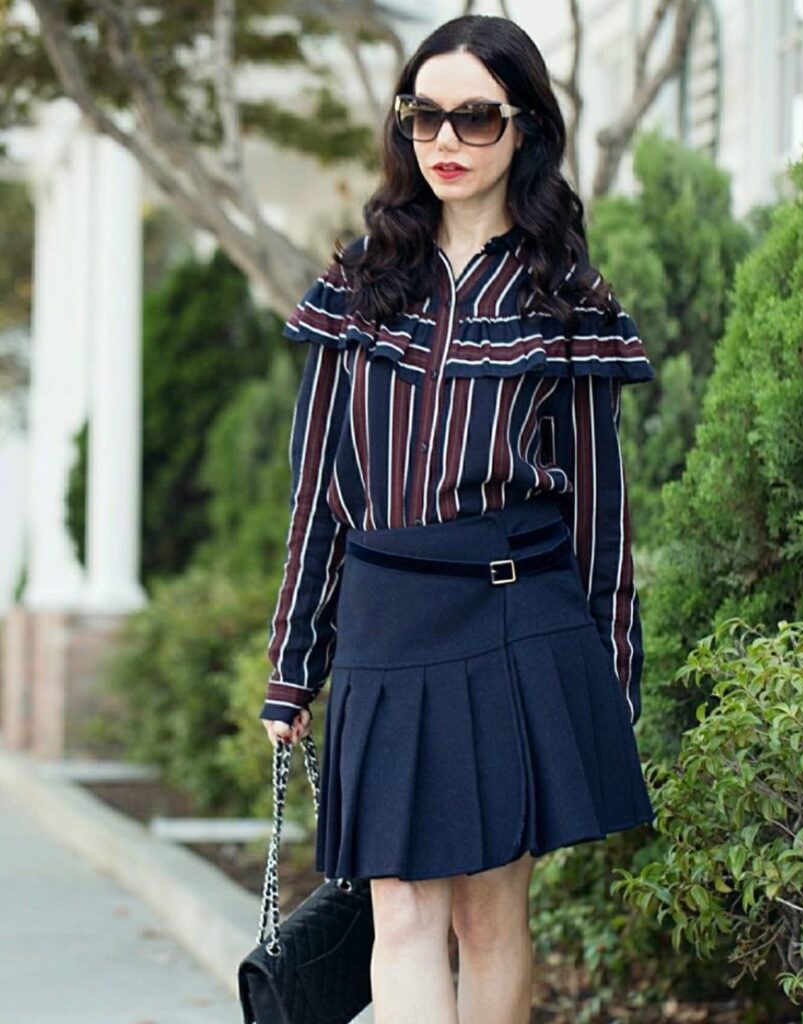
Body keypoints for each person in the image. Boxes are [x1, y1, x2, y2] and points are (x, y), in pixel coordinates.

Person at [258, 13, 657, 1024]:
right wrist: (292, 663)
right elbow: (317, 492)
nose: (444, 141)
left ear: (523, 129)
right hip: (387, 623)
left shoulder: (563, 299)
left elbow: (600, 514)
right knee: (397, 911)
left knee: (486, 917)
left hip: (514, 619)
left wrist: (613, 680)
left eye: (474, 119)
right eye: (424, 116)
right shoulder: (358, 288)